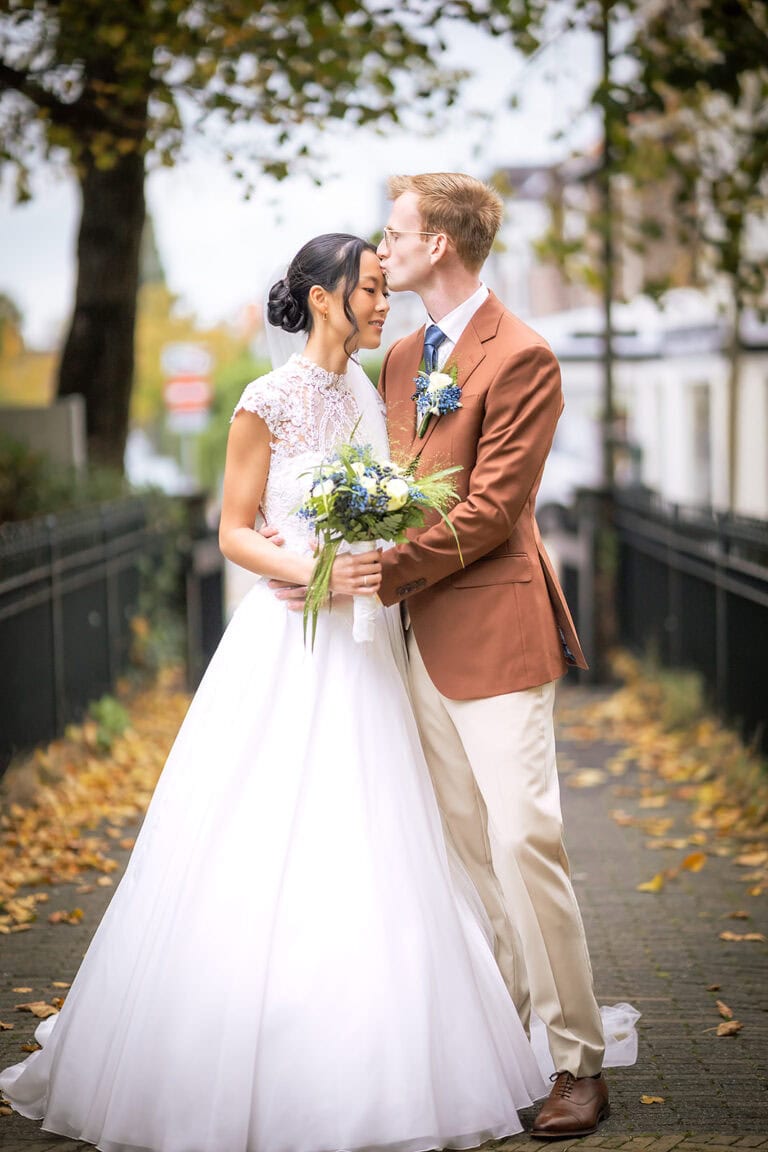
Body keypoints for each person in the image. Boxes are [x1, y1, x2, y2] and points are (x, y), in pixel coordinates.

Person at [0, 234, 549, 1152]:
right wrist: (315, 567)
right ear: (325, 298)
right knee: (263, 828)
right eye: (373, 290)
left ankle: (380, 1046)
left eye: (387, 288)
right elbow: (232, 530)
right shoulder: (264, 401)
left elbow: (404, 506)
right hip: (290, 635)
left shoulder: (371, 397)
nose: (386, 305)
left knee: (376, 831)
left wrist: (378, 558)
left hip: (367, 645)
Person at [374, 173, 609, 1140]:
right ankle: (515, 1037)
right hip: (411, 641)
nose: (380, 249)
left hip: (496, 629)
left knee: (524, 843)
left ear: (439, 244)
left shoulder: (524, 355)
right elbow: (386, 483)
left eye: (394, 234)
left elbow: (492, 509)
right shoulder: (396, 360)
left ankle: (576, 1061)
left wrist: (378, 567)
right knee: (467, 852)